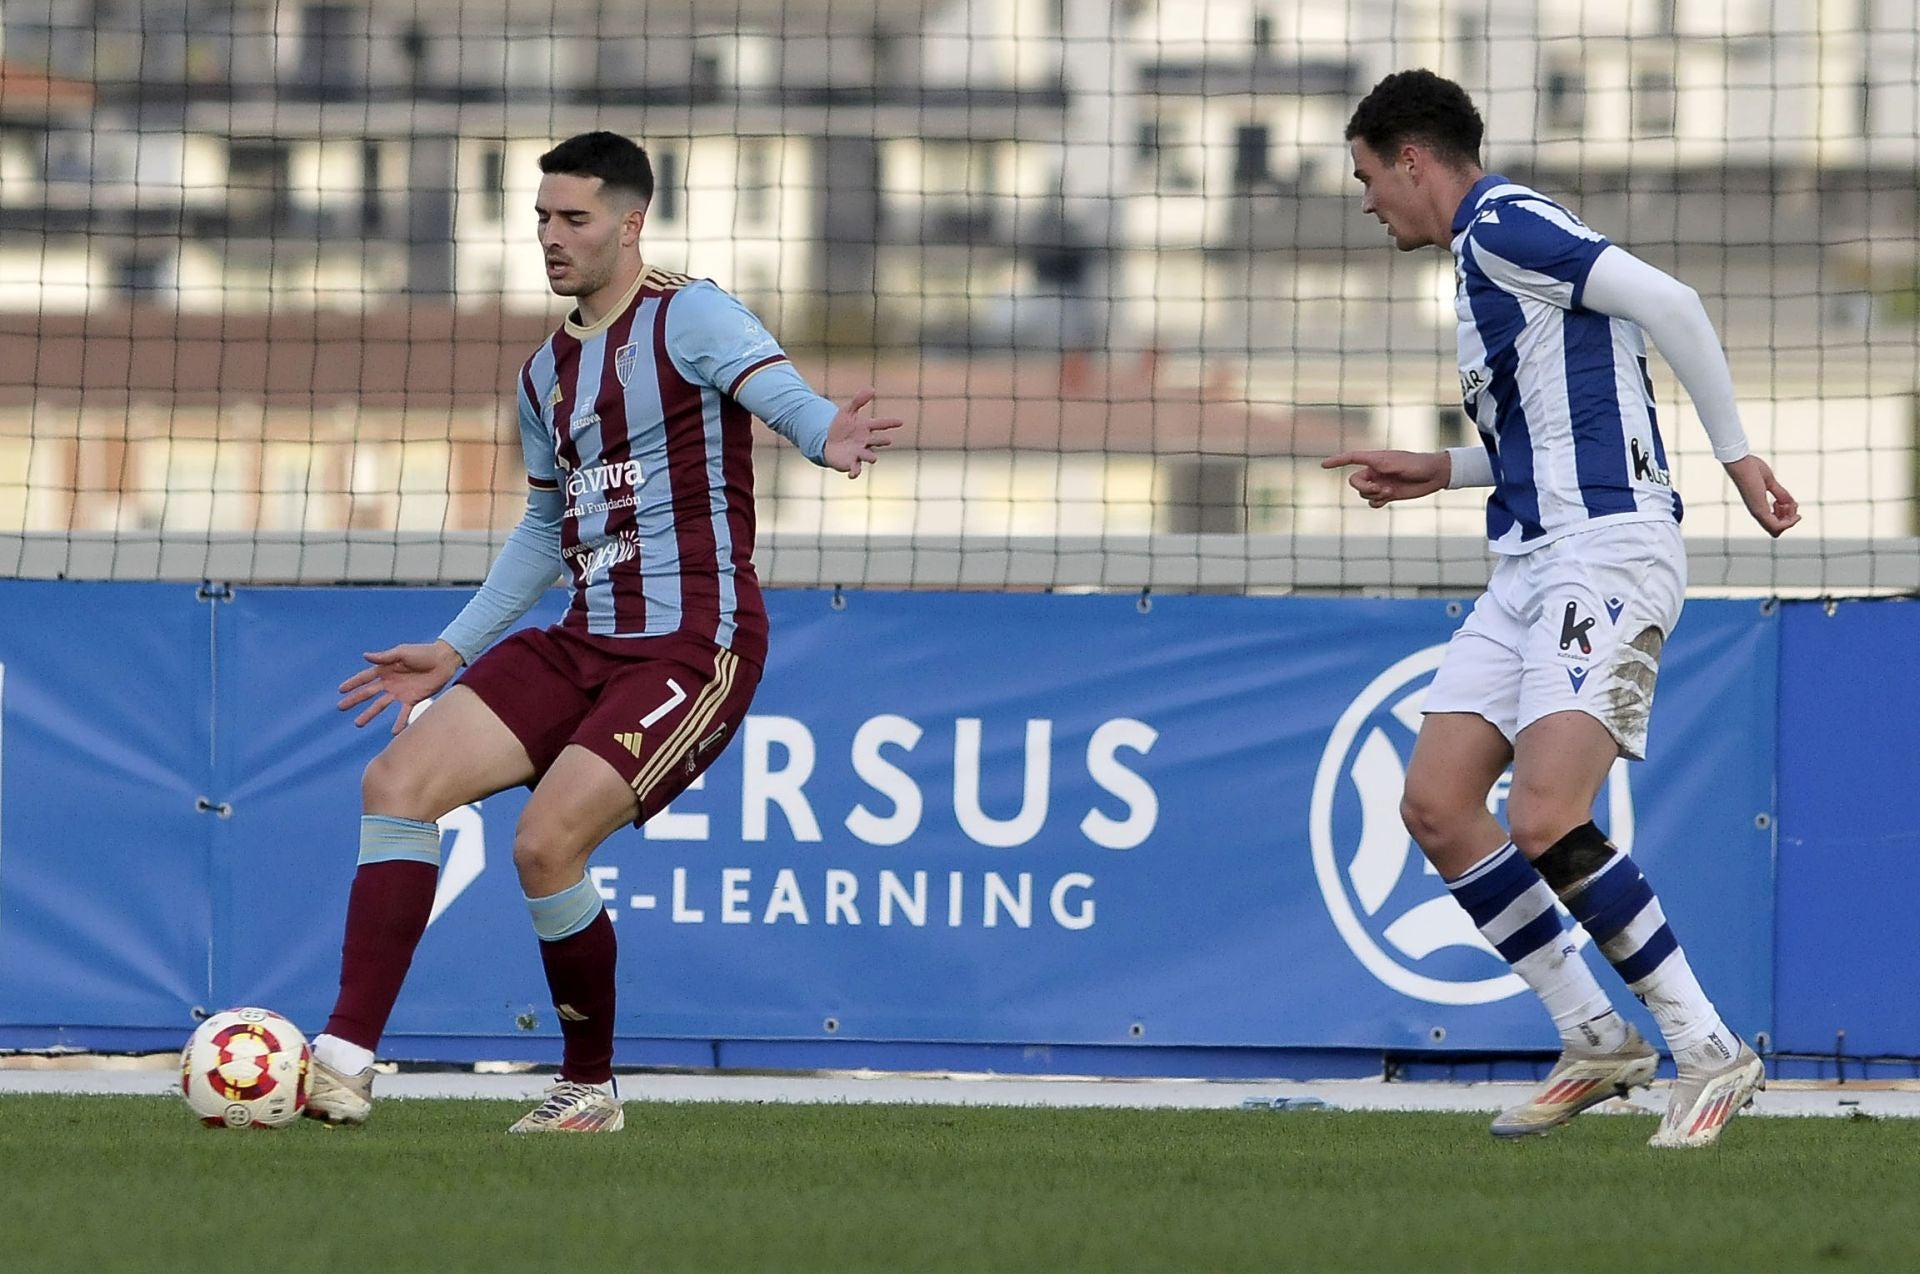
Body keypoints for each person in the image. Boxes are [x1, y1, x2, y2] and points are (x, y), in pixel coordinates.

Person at [304, 131, 903, 1133]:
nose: (550, 236)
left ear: (631, 224)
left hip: (692, 643)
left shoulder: (692, 315)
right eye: (541, 217)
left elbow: (783, 396)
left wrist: (823, 431)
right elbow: (546, 524)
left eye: (573, 218)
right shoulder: (545, 373)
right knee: (395, 783)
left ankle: (588, 1086)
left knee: (544, 843)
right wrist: (453, 646)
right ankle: (341, 1060)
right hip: (583, 638)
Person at [1324, 71, 1798, 1148]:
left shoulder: (1505, 224)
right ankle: (1595, 1035)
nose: (1365, 201)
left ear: (1411, 156)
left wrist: (1737, 456)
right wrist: (1441, 467)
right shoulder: (1484, 257)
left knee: (1543, 814)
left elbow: (1673, 303)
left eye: (1365, 174)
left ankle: (1707, 1046)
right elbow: (1558, 421)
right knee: (1439, 804)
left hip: (1608, 555)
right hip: (1529, 559)